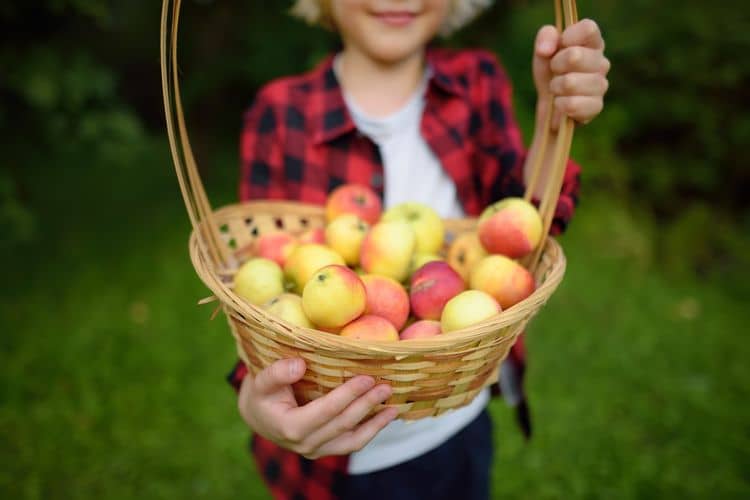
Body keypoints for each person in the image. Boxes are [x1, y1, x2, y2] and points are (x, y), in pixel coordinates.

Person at [227, 1, 610, 498]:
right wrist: (254, 400)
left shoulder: (477, 82)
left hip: (457, 423)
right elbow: (255, 291)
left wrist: (551, 118)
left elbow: (529, 221)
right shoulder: (279, 115)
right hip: (332, 460)